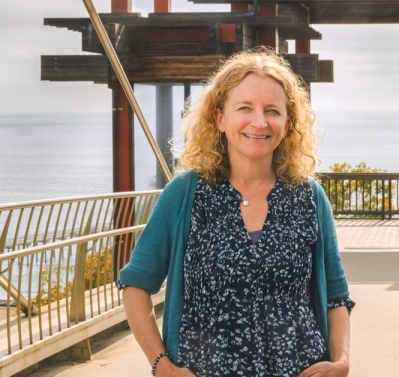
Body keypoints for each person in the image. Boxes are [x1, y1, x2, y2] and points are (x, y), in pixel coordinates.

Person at [117, 47, 353, 377]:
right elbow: (134, 284)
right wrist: (162, 366)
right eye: (245, 108)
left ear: (288, 123)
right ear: (220, 118)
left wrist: (341, 362)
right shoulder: (184, 195)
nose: (259, 122)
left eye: (272, 110)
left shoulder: (310, 197)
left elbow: (336, 298)